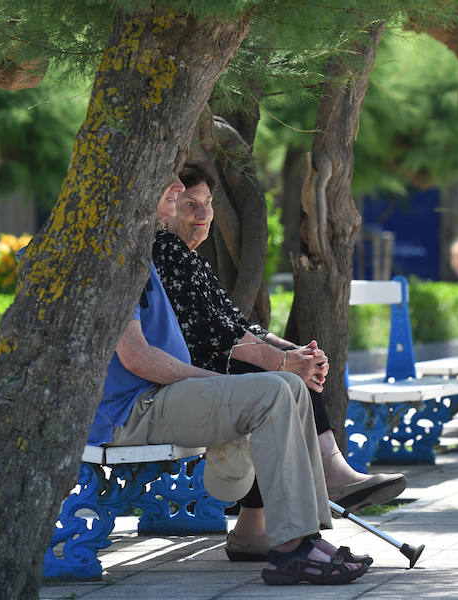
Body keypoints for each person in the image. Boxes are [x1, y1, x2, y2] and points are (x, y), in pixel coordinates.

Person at [92, 177, 370, 585]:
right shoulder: (116, 254)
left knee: (291, 386)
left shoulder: (142, 253)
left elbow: (231, 325)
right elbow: (136, 357)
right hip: (133, 409)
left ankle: (304, 536)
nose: (180, 188)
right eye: (173, 186)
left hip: (161, 397)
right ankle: (292, 547)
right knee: (276, 389)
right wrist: (210, 380)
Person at [152, 164, 405, 561]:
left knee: (283, 379)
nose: (203, 215)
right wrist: (284, 362)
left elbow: (236, 323)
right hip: (187, 375)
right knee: (277, 385)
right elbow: (210, 333)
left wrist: (295, 352)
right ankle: (329, 474)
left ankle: (255, 530)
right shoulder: (165, 248)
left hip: (205, 370)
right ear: (164, 207)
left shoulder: (191, 259)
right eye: (188, 204)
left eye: (208, 204)